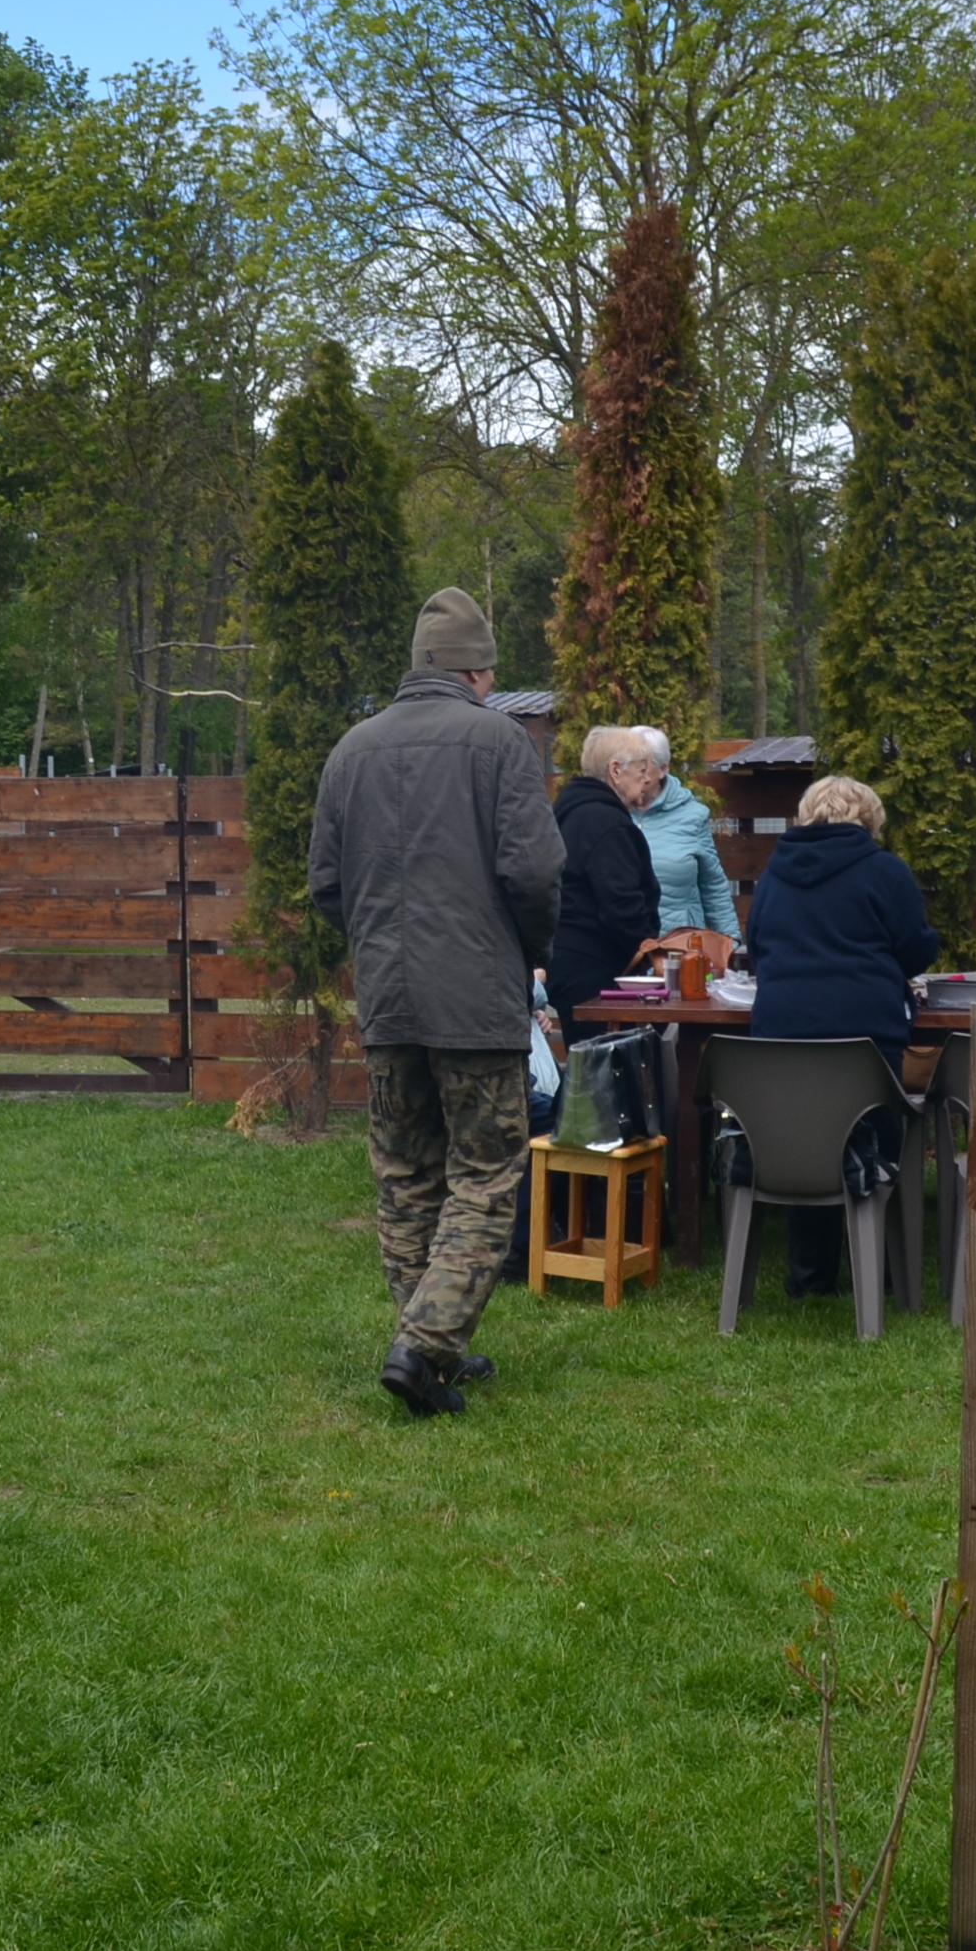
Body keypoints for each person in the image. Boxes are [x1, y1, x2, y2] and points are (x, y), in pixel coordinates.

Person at [309, 586, 564, 1419]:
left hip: (388, 999)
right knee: (486, 1175)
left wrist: (380, 942)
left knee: (407, 1173)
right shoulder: (500, 742)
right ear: (479, 670)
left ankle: (427, 1335)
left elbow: (326, 883)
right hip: (477, 1000)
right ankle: (425, 1345)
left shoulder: (352, 749)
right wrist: (527, 953)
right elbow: (533, 872)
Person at [740, 774, 940, 1293]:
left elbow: (756, 950)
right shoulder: (885, 872)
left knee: (806, 1145)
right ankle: (885, 1270)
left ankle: (809, 1276)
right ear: (869, 819)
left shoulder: (774, 874)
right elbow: (917, 950)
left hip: (782, 1038)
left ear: (807, 814)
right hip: (867, 1038)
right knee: (879, 1136)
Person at [544, 724, 666, 1028]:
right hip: (594, 966)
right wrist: (649, 951)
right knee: (604, 1067)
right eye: (640, 771)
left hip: (562, 961)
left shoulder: (569, 811)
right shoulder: (607, 823)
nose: (647, 779)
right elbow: (621, 904)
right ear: (615, 770)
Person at [629, 727, 742, 957]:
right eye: (628, 763)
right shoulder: (608, 814)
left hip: (681, 950)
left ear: (663, 769)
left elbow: (712, 883)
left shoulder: (692, 816)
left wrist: (730, 944)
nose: (634, 772)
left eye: (643, 764)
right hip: (623, 949)